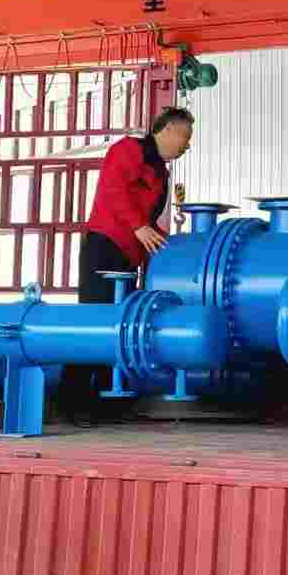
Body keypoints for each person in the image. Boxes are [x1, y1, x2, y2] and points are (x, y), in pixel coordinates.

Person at [60, 106, 195, 425]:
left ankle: (107, 400)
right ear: (169, 130)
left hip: (128, 256)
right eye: (186, 137)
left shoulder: (161, 173)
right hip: (105, 246)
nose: (187, 146)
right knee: (93, 323)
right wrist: (139, 227)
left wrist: (174, 247)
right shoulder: (129, 150)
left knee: (119, 327)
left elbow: (148, 222)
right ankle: (72, 402)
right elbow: (114, 191)